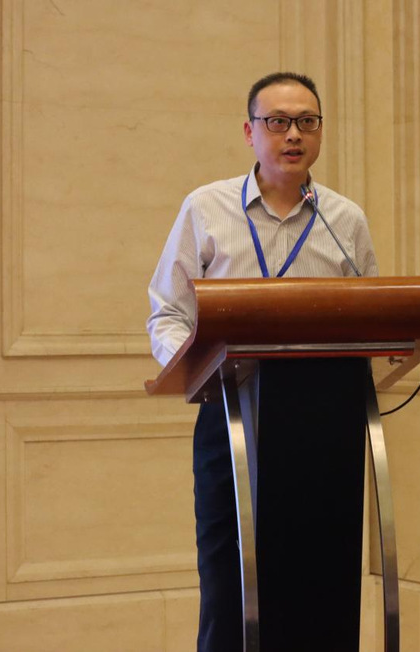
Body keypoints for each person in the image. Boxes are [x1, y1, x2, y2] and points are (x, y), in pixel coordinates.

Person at [146, 71, 378, 652]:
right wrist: (194, 367)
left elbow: (371, 315)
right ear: (250, 132)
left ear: (320, 132)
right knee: (230, 585)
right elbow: (168, 313)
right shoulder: (206, 207)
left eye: (307, 122)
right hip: (231, 420)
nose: (293, 134)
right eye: (277, 122)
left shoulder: (345, 220)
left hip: (322, 433)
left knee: (317, 585)